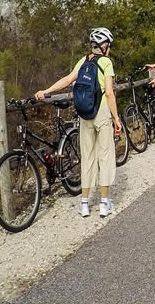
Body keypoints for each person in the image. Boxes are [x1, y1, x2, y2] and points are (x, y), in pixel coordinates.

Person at [36, 27, 123, 217]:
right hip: (101, 114)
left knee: (88, 157)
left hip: (85, 115)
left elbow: (67, 80)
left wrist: (46, 91)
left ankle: (84, 203)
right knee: (105, 156)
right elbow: (109, 92)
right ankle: (103, 203)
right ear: (106, 45)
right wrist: (116, 118)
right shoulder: (106, 63)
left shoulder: (84, 60)